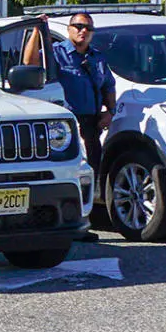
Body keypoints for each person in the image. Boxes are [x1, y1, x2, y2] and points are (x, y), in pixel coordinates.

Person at [47, 12, 117, 239]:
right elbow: (31, 64)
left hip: (92, 123)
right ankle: (71, 222)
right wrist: (38, 31)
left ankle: (86, 221)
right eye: (78, 26)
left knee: (90, 173)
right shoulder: (56, 53)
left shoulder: (97, 57)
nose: (83, 31)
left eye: (87, 28)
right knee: (71, 174)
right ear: (69, 29)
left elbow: (108, 85)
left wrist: (110, 112)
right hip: (66, 125)